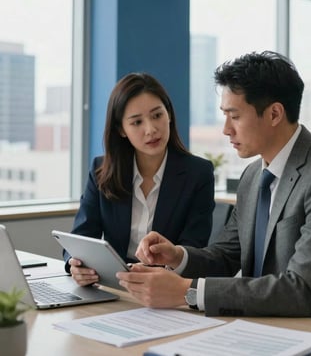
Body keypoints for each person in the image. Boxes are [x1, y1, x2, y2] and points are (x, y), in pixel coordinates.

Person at [116, 51, 311, 329]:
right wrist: (178, 256)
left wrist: (185, 291)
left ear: (274, 113)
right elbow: (226, 256)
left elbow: (302, 289)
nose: (226, 130)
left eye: (234, 116)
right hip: (259, 328)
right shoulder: (253, 176)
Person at [65, 72, 215, 286]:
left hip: (166, 287)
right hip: (115, 287)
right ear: (121, 130)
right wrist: (75, 264)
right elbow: (81, 237)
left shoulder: (198, 173)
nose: (151, 129)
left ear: (169, 115)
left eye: (157, 115)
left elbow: (194, 247)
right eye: (136, 122)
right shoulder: (101, 170)